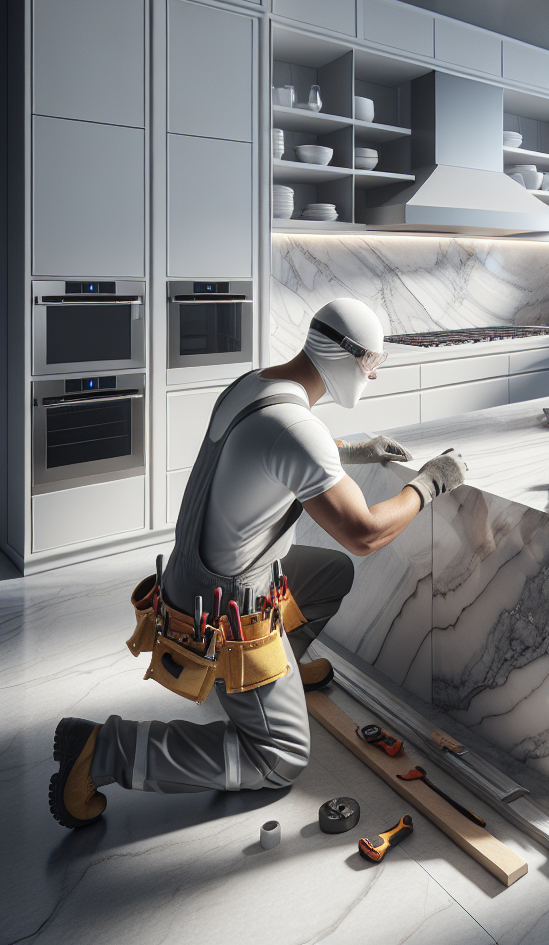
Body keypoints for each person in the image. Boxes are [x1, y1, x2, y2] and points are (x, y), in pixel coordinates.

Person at [49, 298, 468, 829]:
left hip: (196, 577)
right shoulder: (297, 429)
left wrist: (357, 451)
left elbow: (273, 448)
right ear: (344, 356)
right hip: (223, 609)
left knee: (332, 574)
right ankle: (107, 749)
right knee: (280, 760)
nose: (374, 375)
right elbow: (364, 532)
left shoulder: (256, 385)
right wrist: (430, 482)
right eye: (371, 365)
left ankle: (272, 680)